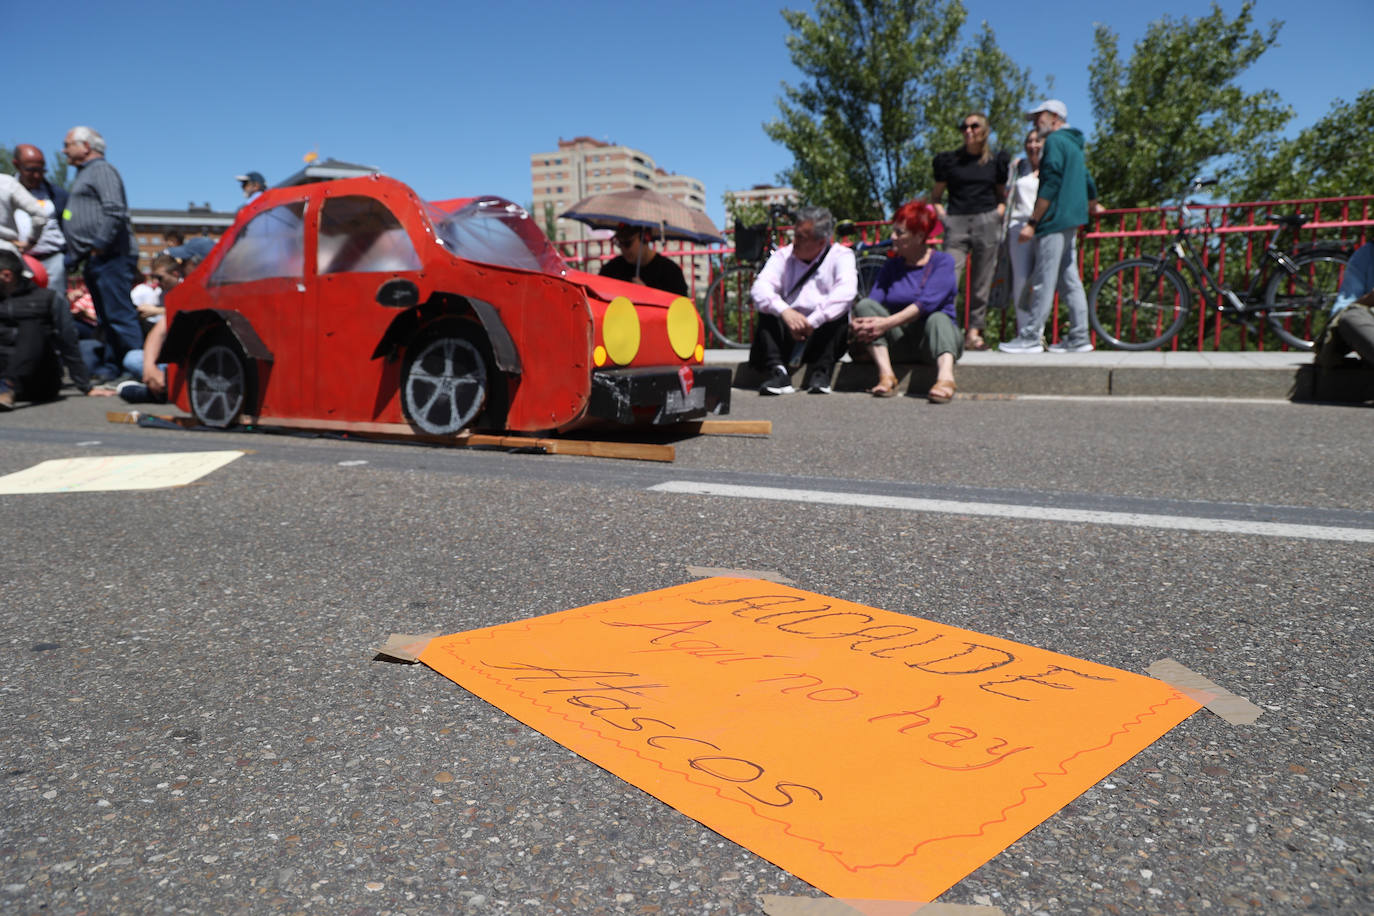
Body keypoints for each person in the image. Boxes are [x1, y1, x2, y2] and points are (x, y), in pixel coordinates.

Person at [999, 100, 1102, 355]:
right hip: (1072, 220)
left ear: (1055, 117)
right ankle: (1079, 336)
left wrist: (1033, 221)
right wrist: (1092, 203)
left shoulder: (1055, 142)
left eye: (1039, 117)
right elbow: (1087, 178)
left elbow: (1051, 182)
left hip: (1054, 220)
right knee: (1070, 280)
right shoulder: (1074, 144)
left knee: (1044, 280)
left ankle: (1030, 336)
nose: (1035, 122)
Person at [850, 201, 962, 403]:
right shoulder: (891, 266)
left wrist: (884, 324)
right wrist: (857, 321)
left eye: (899, 233)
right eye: (893, 231)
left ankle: (945, 378)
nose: (893, 237)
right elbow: (873, 301)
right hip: (901, 341)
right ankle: (886, 375)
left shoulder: (943, 262)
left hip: (934, 342)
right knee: (864, 306)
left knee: (938, 317)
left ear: (919, 236)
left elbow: (924, 305)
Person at [60, 125, 144, 382]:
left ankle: (136, 369)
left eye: (68, 144)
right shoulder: (86, 174)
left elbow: (114, 210)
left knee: (119, 314)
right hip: (97, 257)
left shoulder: (102, 170)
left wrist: (99, 244)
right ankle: (113, 366)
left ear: (85, 146)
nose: (64, 151)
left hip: (112, 255)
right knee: (106, 317)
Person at [748, 205, 857, 394]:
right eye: (794, 235)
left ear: (821, 241)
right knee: (767, 310)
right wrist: (785, 312)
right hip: (788, 332)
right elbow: (760, 288)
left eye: (801, 237)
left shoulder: (841, 256)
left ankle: (822, 372)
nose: (794, 241)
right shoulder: (784, 255)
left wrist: (812, 322)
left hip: (821, 332)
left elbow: (845, 292)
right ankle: (778, 372)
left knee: (839, 313)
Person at [931, 112, 1011, 352]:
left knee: (981, 282)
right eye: (964, 127)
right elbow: (936, 197)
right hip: (956, 222)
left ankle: (974, 333)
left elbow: (1001, 195)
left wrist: (998, 213)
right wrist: (944, 218)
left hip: (987, 221)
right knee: (949, 279)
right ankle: (947, 329)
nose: (968, 131)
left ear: (984, 130)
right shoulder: (950, 161)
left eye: (974, 126)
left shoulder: (995, 162)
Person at [0, 249, 91, 409]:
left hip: (36, 380)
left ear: (7, 275)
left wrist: (85, 386)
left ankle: (9, 385)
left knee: (33, 325)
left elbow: (68, 342)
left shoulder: (48, 298)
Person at [11, 145, 69, 292]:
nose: (37, 175)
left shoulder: (57, 195)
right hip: (17, 262)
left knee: (56, 305)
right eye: (31, 170)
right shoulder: (6, 190)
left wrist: (70, 257)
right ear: (17, 165)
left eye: (41, 170)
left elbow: (69, 221)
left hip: (53, 261)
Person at [1005, 129, 1044, 339]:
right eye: (1029, 141)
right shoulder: (1018, 166)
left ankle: (1038, 333)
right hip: (1018, 229)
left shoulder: (1052, 166)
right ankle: (1024, 332)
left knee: (1041, 282)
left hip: (1044, 227)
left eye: (1037, 141)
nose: (1033, 145)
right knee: (1020, 282)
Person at [1314, 241, 1374, 367]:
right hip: (1368, 326)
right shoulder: (1366, 254)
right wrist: (1368, 300)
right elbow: (1341, 312)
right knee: (1351, 317)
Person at [599, 224, 689, 296]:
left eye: (627, 243)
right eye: (619, 243)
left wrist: (647, 295)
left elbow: (680, 311)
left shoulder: (671, 272)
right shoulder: (612, 269)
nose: (623, 249)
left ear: (646, 237)